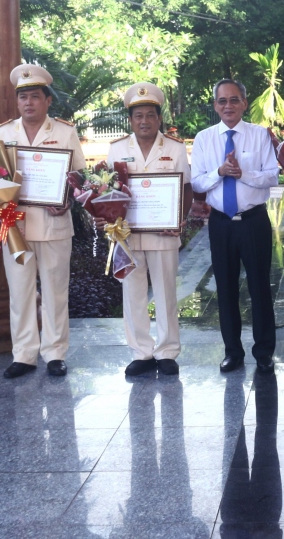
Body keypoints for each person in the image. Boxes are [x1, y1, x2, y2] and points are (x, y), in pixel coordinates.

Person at [0, 64, 86, 378]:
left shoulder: (64, 131)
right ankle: (24, 355)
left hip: (53, 223)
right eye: (23, 97)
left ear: (47, 101)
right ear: (17, 102)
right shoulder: (2, 134)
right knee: (19, 292)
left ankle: (55, 353)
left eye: (34, 96)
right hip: (15, 225)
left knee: (56, 291)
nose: (28, 103)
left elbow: (79, 175)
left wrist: (68, 199)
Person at [190, 79, 280, 374]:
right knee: (225, 288)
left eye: (234, 100)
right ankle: (233, 352)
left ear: (244, 102)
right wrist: (220, 171)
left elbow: (271, 176)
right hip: (221, 223)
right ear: (215, 105)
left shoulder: (259, 135)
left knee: (259, 287)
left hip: (253, 221)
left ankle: (264, 351)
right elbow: (198, 182)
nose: (228, 106)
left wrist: (243, 173)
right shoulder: (204, 138)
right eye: (222, 101)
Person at [104, 82, 192, 377]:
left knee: (166, 291)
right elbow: (107, 189)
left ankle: (167, 351)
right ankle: (141, 352)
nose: (144, 121)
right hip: (128, 234)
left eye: (150, 115)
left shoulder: (175, 148)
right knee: (133, 292)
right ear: (130, 120)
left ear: (159, 118)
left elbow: (187, 188)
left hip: (163, 233)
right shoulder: (116, 149)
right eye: (138, 116)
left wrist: (180, 218)